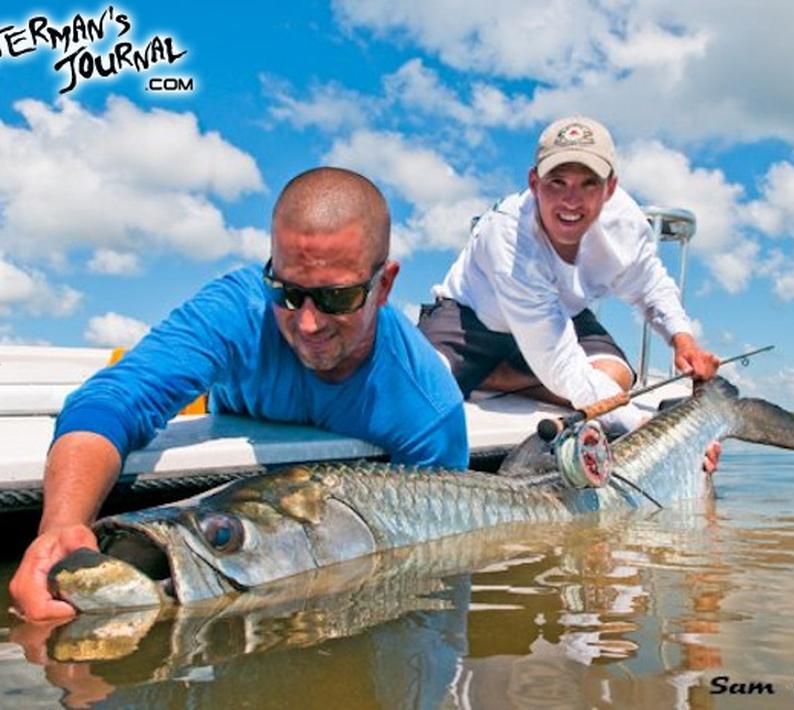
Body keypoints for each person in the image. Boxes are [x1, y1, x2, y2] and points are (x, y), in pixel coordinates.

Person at [10, 167, 468, 621]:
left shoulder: (427, 407)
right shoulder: (238, 308)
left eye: (337, 298)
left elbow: (441, 552)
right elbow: (110, 401)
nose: (308, 323)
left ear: (384, 285)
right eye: (287, 292)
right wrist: (59, 529)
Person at [418, 115, 720, 437]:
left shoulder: (626, 224)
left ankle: (497, 377)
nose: (571, 201)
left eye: (589, 183)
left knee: (617, 376)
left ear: (610, 189)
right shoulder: (508, 234)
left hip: (561, 317)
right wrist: (644, 431)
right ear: (534, 184)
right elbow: (559, 362)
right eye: (557, 182)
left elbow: (651, 286)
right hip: (471, 317)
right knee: (421, 389)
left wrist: (682, 340)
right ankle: (503, 373)